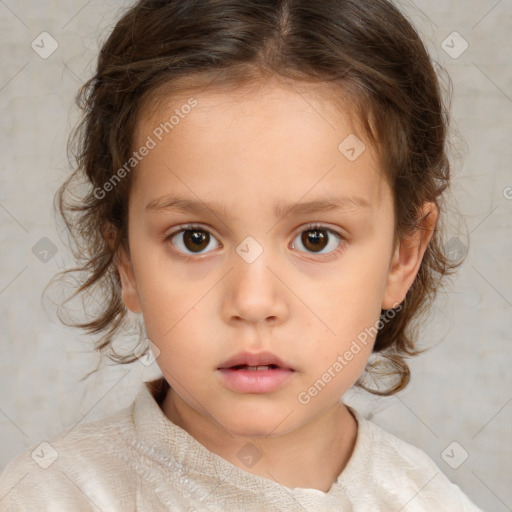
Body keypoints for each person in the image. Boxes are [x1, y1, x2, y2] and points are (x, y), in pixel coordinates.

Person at [0, 0, 485, 510]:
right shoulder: (47, 496)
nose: (253, 302)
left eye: (316, 238)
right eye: (195, 239)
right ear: (126, 260)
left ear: (401, 255)